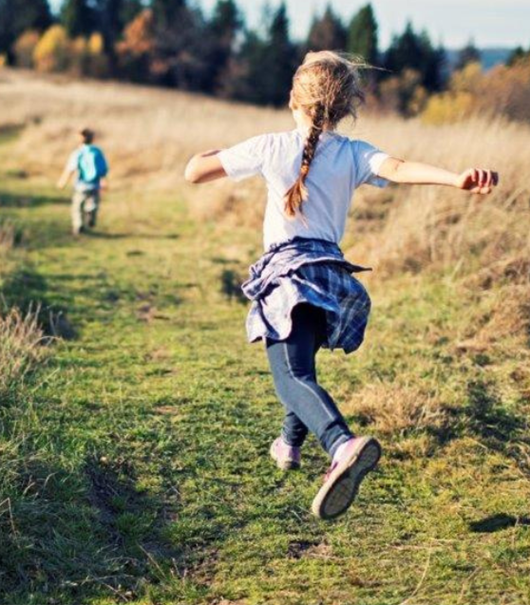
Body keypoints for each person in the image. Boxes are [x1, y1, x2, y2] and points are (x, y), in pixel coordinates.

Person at [182, 51, 499, 520]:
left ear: (294, 99)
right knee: (302, 363)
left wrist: (208, 155)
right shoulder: (354, 152)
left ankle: (341, 444)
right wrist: (456, 180)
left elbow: (193, 172)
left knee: (291, 377)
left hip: (288, 274)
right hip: (329, 276)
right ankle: (288, 444)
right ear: (345, 109)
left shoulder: (270, 146)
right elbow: (400, 168)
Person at [57, 128, 109, 236]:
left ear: (80, 139)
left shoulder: (78, 153)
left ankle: (78, 224)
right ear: (92, 139)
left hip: (81, 185)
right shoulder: (97, 152)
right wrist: (104, 181)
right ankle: (91, 212)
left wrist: (63, 181)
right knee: (93, 203)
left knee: (77, 207)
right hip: (95, 185)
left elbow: (70, 169)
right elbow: (103, 169)